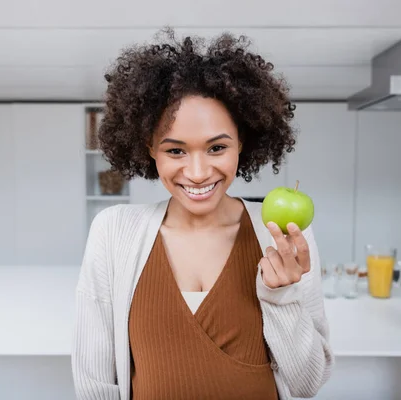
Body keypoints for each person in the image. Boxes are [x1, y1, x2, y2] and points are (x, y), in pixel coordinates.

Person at [71, 28, 333, 400]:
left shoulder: (281, 236)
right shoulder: (113, 233)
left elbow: (307, 385)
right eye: (176, 151)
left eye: (216, 148)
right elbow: (94, 382)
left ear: (241, 141)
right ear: (149, 149)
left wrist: (283, 298)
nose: (197, 173)